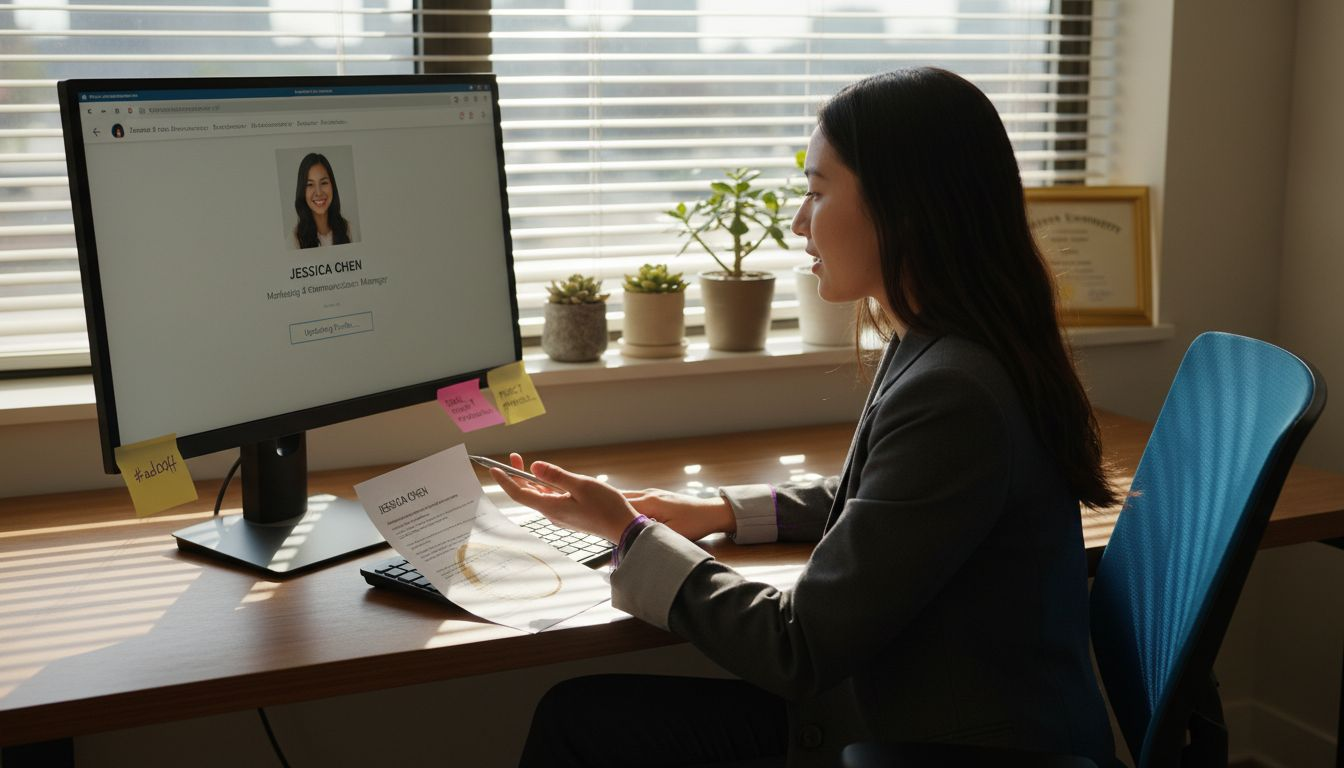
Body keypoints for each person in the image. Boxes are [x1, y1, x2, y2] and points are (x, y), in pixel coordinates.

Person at [492, 68, 1120, 768]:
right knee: (585, 714)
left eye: (818, 192)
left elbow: (798, 647)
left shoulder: (954, 392)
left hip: (929, 745)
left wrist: (626, 534)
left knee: (579, 722)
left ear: (903, 206)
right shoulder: (944, 343)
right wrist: (716, 513)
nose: (797, 221)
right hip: (902, 714)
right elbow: (883, 504)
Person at [292, 152, 353, 248]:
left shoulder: (349, 230)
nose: (319, 193)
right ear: (302, 190)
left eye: (324, 183)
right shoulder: (294, 239)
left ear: (332, 185)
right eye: (310, 184)